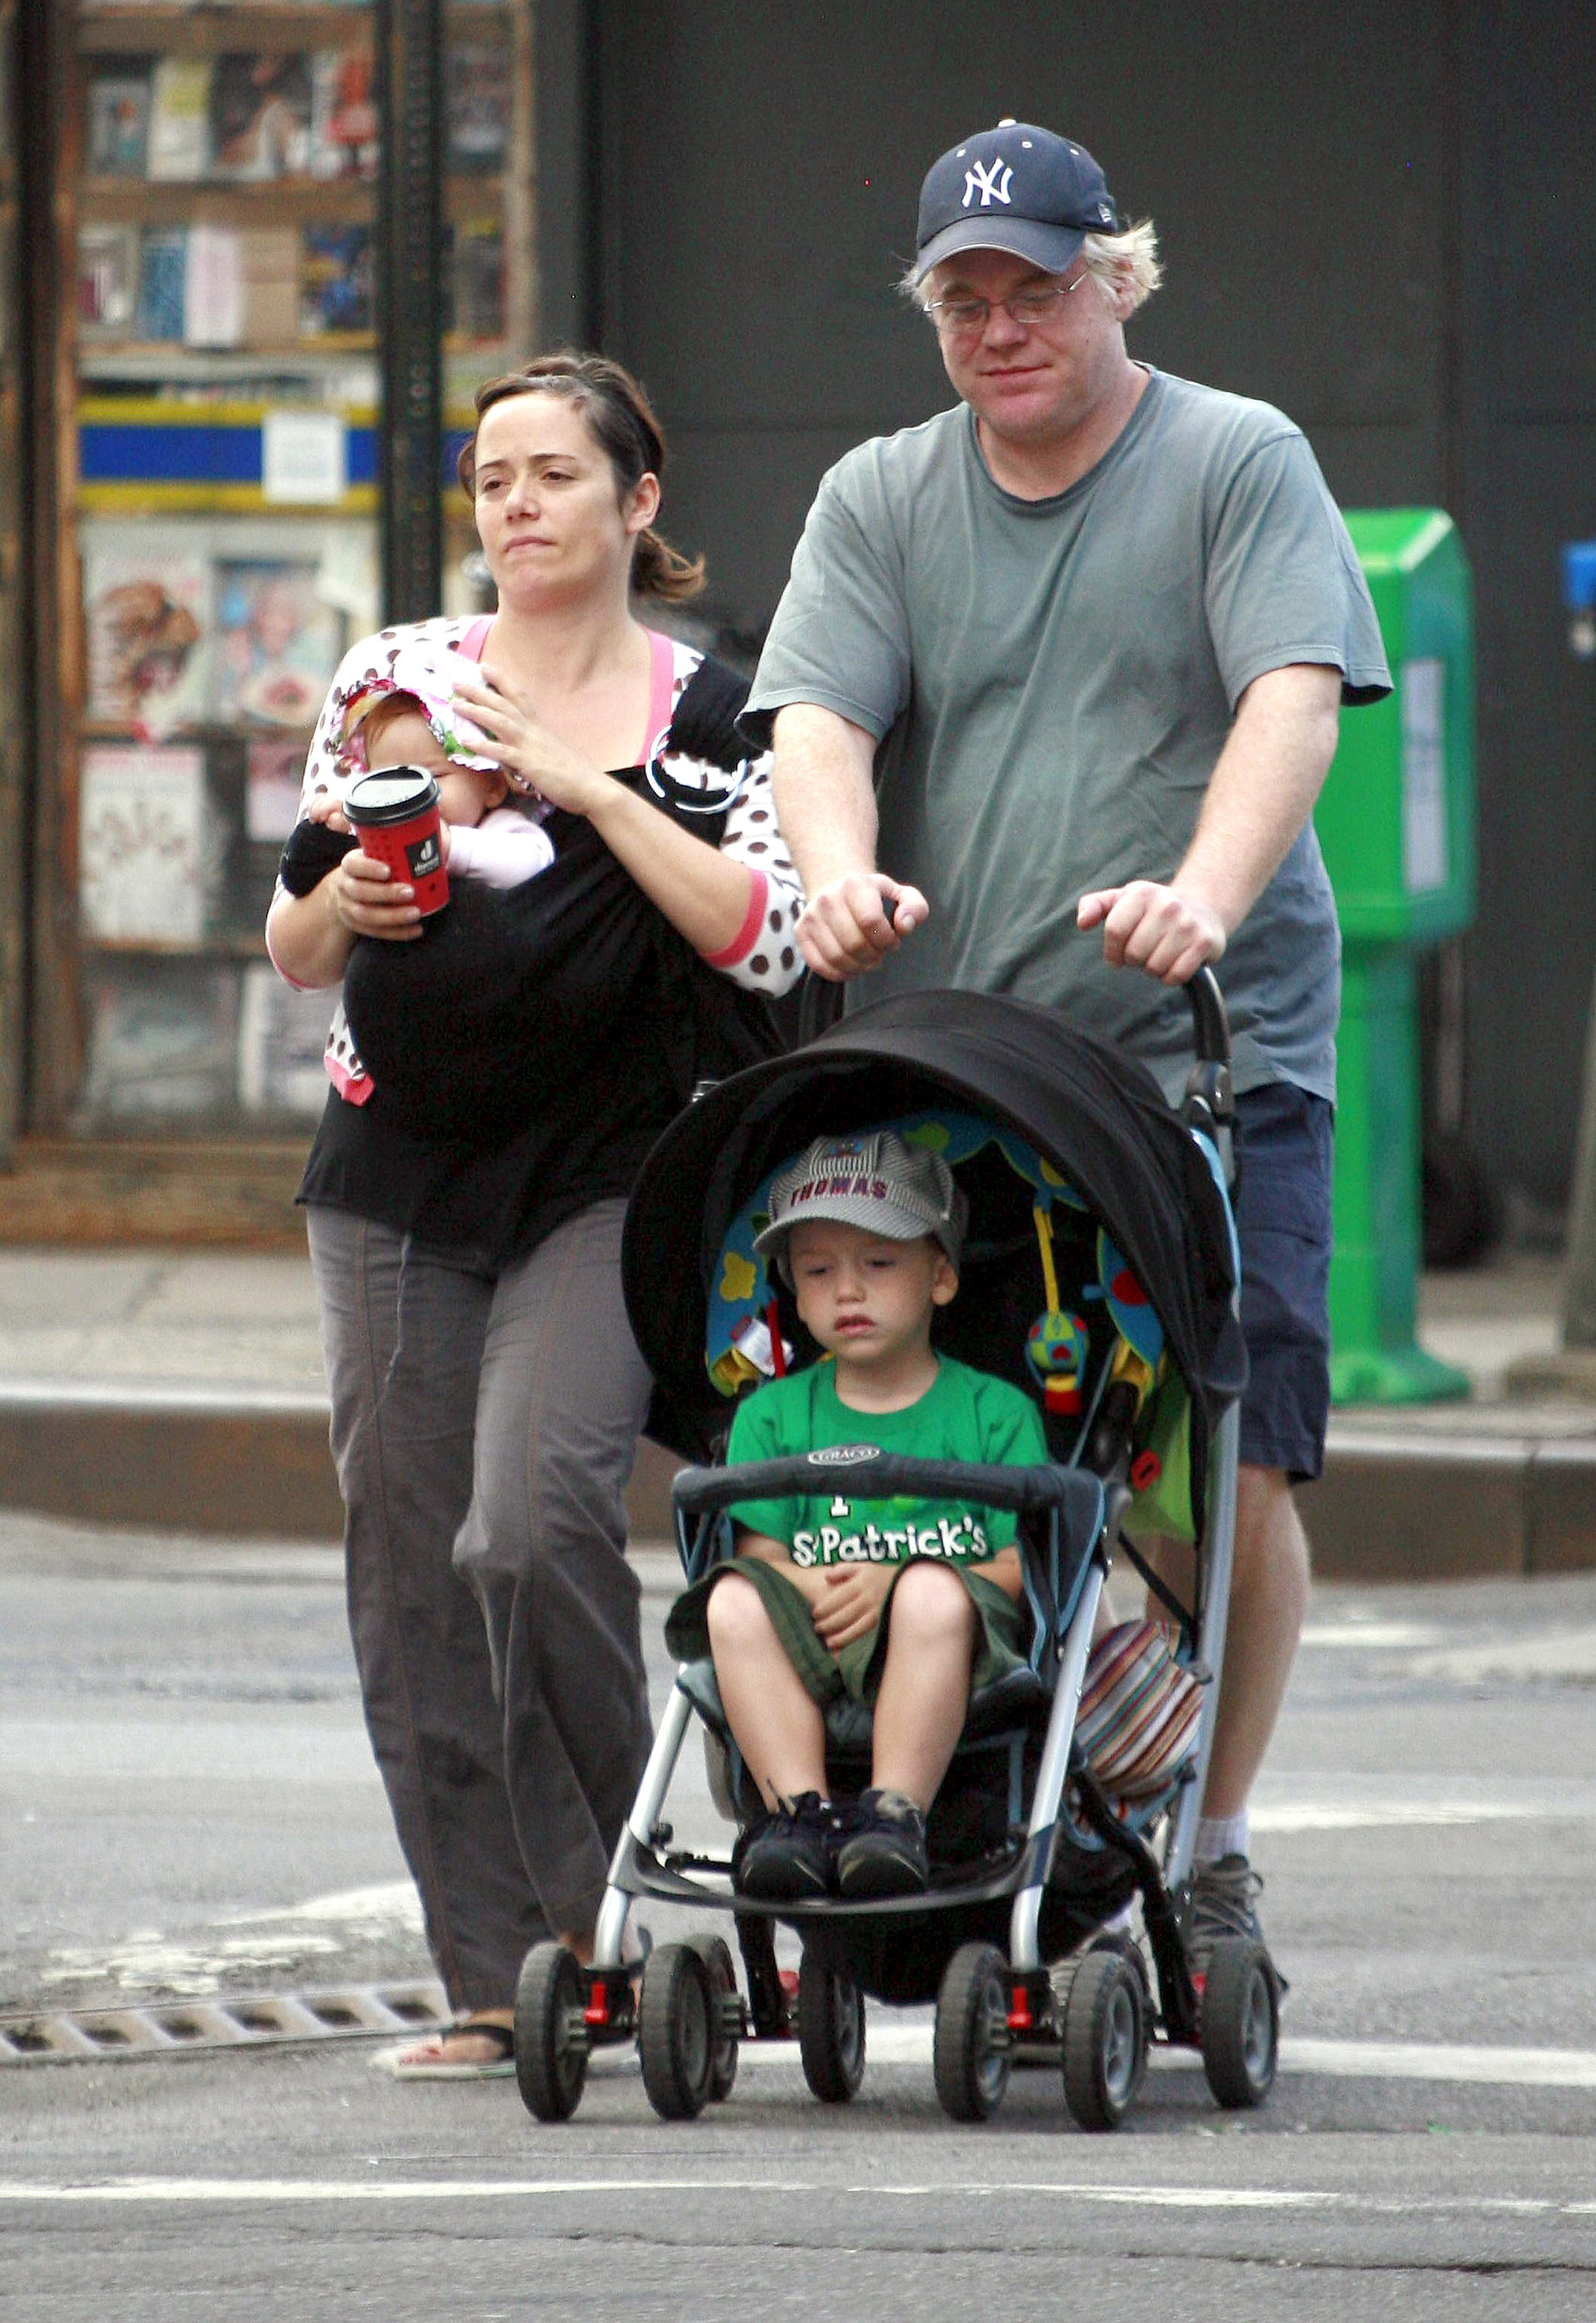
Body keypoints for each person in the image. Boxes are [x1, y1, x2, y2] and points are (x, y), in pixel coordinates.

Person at [745, 122, 1392, 1977]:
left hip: (1212, 1051)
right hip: (970, 1064)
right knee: (935, 1439)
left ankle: (1209, 1834)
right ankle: (946, 1799)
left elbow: (1287, 694)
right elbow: (817, 722)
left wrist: (1201, 889)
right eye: (963, 298)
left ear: (1114, 275)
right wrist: (840, 871)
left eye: (1033, 284)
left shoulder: (1229, 456)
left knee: (1228, 1456)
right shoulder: (879, 491)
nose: (999, 324)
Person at [266, 351, 805, 2077]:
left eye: (554, 474)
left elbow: (770, 941)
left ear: (638, 504)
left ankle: (633, 1915)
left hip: (606, 1175)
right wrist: (343, 893)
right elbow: (290, 949)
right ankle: (509, 1976)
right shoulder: (392, 678)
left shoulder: (714, 715)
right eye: (494, 477)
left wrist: (582, 791)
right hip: (395, 1168)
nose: (516, 505)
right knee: (409, 1568)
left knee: (525, 1520)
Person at [665, 1131, 1047, 1903]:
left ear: (940, 1276)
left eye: (877, 1264)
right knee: (733, 1597)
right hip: (818, 1629)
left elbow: (1024, 1568)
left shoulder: (993, 1412)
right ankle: (796, 1815)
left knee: (931, 1593)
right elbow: (760, 1552)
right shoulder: (771, 1417)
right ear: (794, 1292)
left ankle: (893, 1813)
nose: (847, 1291)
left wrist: (894, 1584)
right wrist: (815, 1589)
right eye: (817, 1270)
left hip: (953, 1647)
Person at [285, 685, 558, 896]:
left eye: (433, 776)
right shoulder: (379, 836)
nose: (410, 795)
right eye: (387, 780)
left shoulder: (498, 829)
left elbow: (533, 866)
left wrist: (450, 846)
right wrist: (335, 832)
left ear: (493, 787)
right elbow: (300, 879)